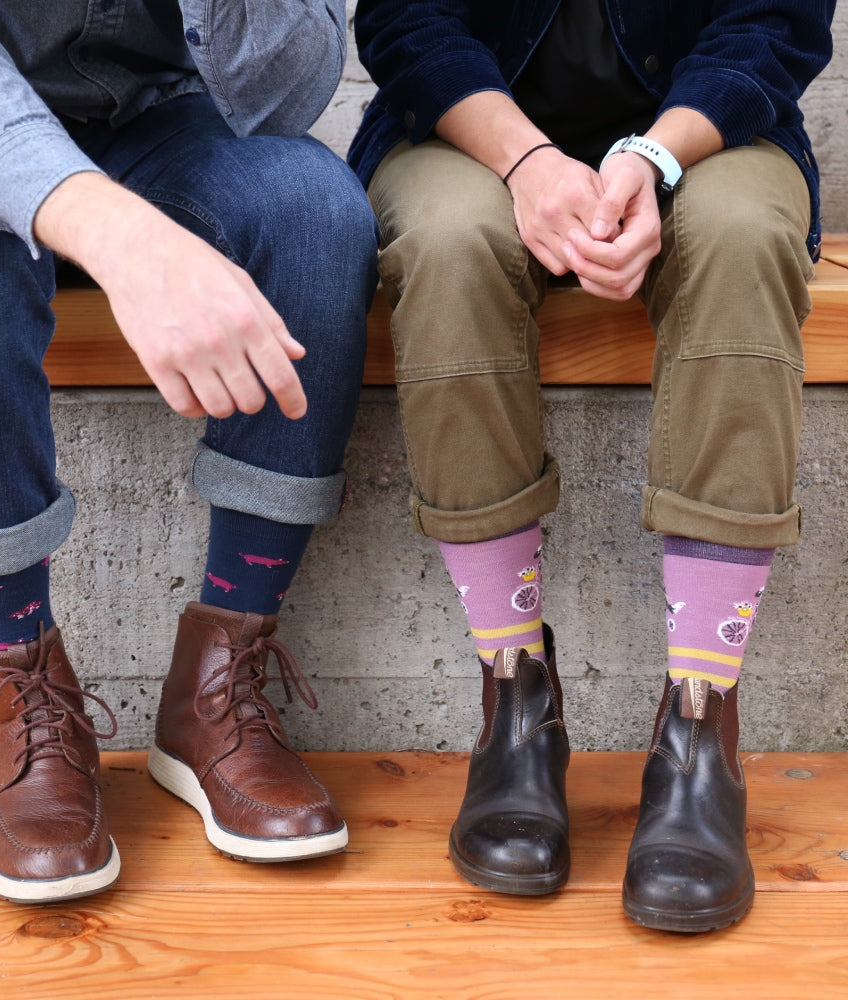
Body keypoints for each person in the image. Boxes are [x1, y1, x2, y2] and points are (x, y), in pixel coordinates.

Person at [0, 1, 378, 904]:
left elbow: (280, 100)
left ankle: (214, 684)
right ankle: (25, 690)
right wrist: (119, 234)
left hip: (142, 110)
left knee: (315, 212)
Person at [349, 1, 834, 932]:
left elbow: (777, 19)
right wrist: (527, 163)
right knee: (449, 246)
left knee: (742, 240)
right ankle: (515, 706)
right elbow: (408, 20)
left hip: (712, 137)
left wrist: (651, 157)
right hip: (462, 133)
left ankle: (701, 728)